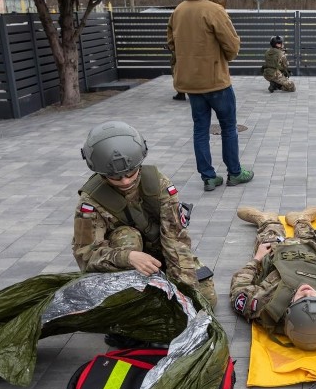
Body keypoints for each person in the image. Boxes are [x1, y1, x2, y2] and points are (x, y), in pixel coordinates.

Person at [72, 121, 217, 318]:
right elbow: (86, 255)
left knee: (206, 299)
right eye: (116, 177)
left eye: (131, 173)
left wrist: (184, 292)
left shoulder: (159, 185)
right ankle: (126, 302)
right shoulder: (90, 202)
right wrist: (128, 257)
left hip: (160, 252)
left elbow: (175, 240)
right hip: (122, 262)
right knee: (127, 235)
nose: (125, 181)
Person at [167, 0, 254, 192]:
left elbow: (171, 44)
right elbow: (232, 46)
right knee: (228, 127)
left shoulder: (178, 11)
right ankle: (235, 173)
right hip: (216, 82)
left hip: (192, 85)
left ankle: (209, 178)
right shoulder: (214, 10)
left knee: (200, 130)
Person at [230, 206, 316, 350]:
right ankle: (301, 219)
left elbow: (239, 287)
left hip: (278, 252)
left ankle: (267, 219)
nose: (308, 291)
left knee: (269, 236)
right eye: (315, 298)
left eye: (302, 299)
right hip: (313, 254)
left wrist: (256, 259)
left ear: (288, 311)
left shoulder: (265, 304)